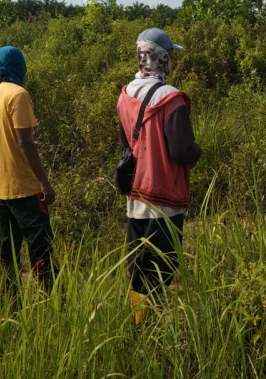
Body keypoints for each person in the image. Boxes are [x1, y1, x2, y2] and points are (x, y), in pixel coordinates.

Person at [117, 28, 201, 323]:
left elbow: (126, 145)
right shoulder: (172, 99)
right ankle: (157, 323)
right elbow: (180, 150)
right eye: (170, 55)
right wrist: (198, 151)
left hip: (136, 193)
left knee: (138, 264)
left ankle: (138, 321)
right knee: (162, 264)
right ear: (162, 58)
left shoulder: (125, 94)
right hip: (165, 197)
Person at [0, 45, 56, 293]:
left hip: (1, 189)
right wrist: (44, 183)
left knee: (8, 254)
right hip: (25, 189)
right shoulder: (19, 95)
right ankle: (54, 305)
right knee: (41, 250)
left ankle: (10, 304)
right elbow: (24, 142)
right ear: (20, 66)